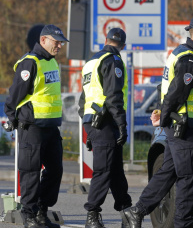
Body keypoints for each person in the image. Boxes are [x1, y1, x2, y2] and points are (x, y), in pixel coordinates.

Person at [121, 14, 193, 228]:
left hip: (176, 125)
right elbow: (176, 94)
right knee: (188, 180)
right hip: (182, 127)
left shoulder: (182, 53)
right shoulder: (190, 59)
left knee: (168, 172)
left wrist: (162, 115)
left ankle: (136, 211)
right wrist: (165, 118)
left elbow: (167, 90)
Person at [3, 24, 68, 228]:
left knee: (55, 170)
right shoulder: (30, 63)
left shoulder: (52, 63)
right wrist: (12, 117)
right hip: (32, 127)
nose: (59, 45)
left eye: (61, 42)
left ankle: (41, 210)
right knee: (30, 172)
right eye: (56, 41)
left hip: (50, 127)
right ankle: (29, 214)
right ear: (43, 40)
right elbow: (15, 94)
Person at [78, 28, 132, 228]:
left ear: (106, 40)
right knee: (103, 169)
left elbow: (83, 99)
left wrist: (90, 127)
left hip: (93, 120)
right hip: (106, 121)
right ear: (123, 46)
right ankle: (92, 213)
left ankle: (126, 209)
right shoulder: (113, 60)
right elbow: (114, 97)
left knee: (115, 168)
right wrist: (122, 124)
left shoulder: (91, 62)